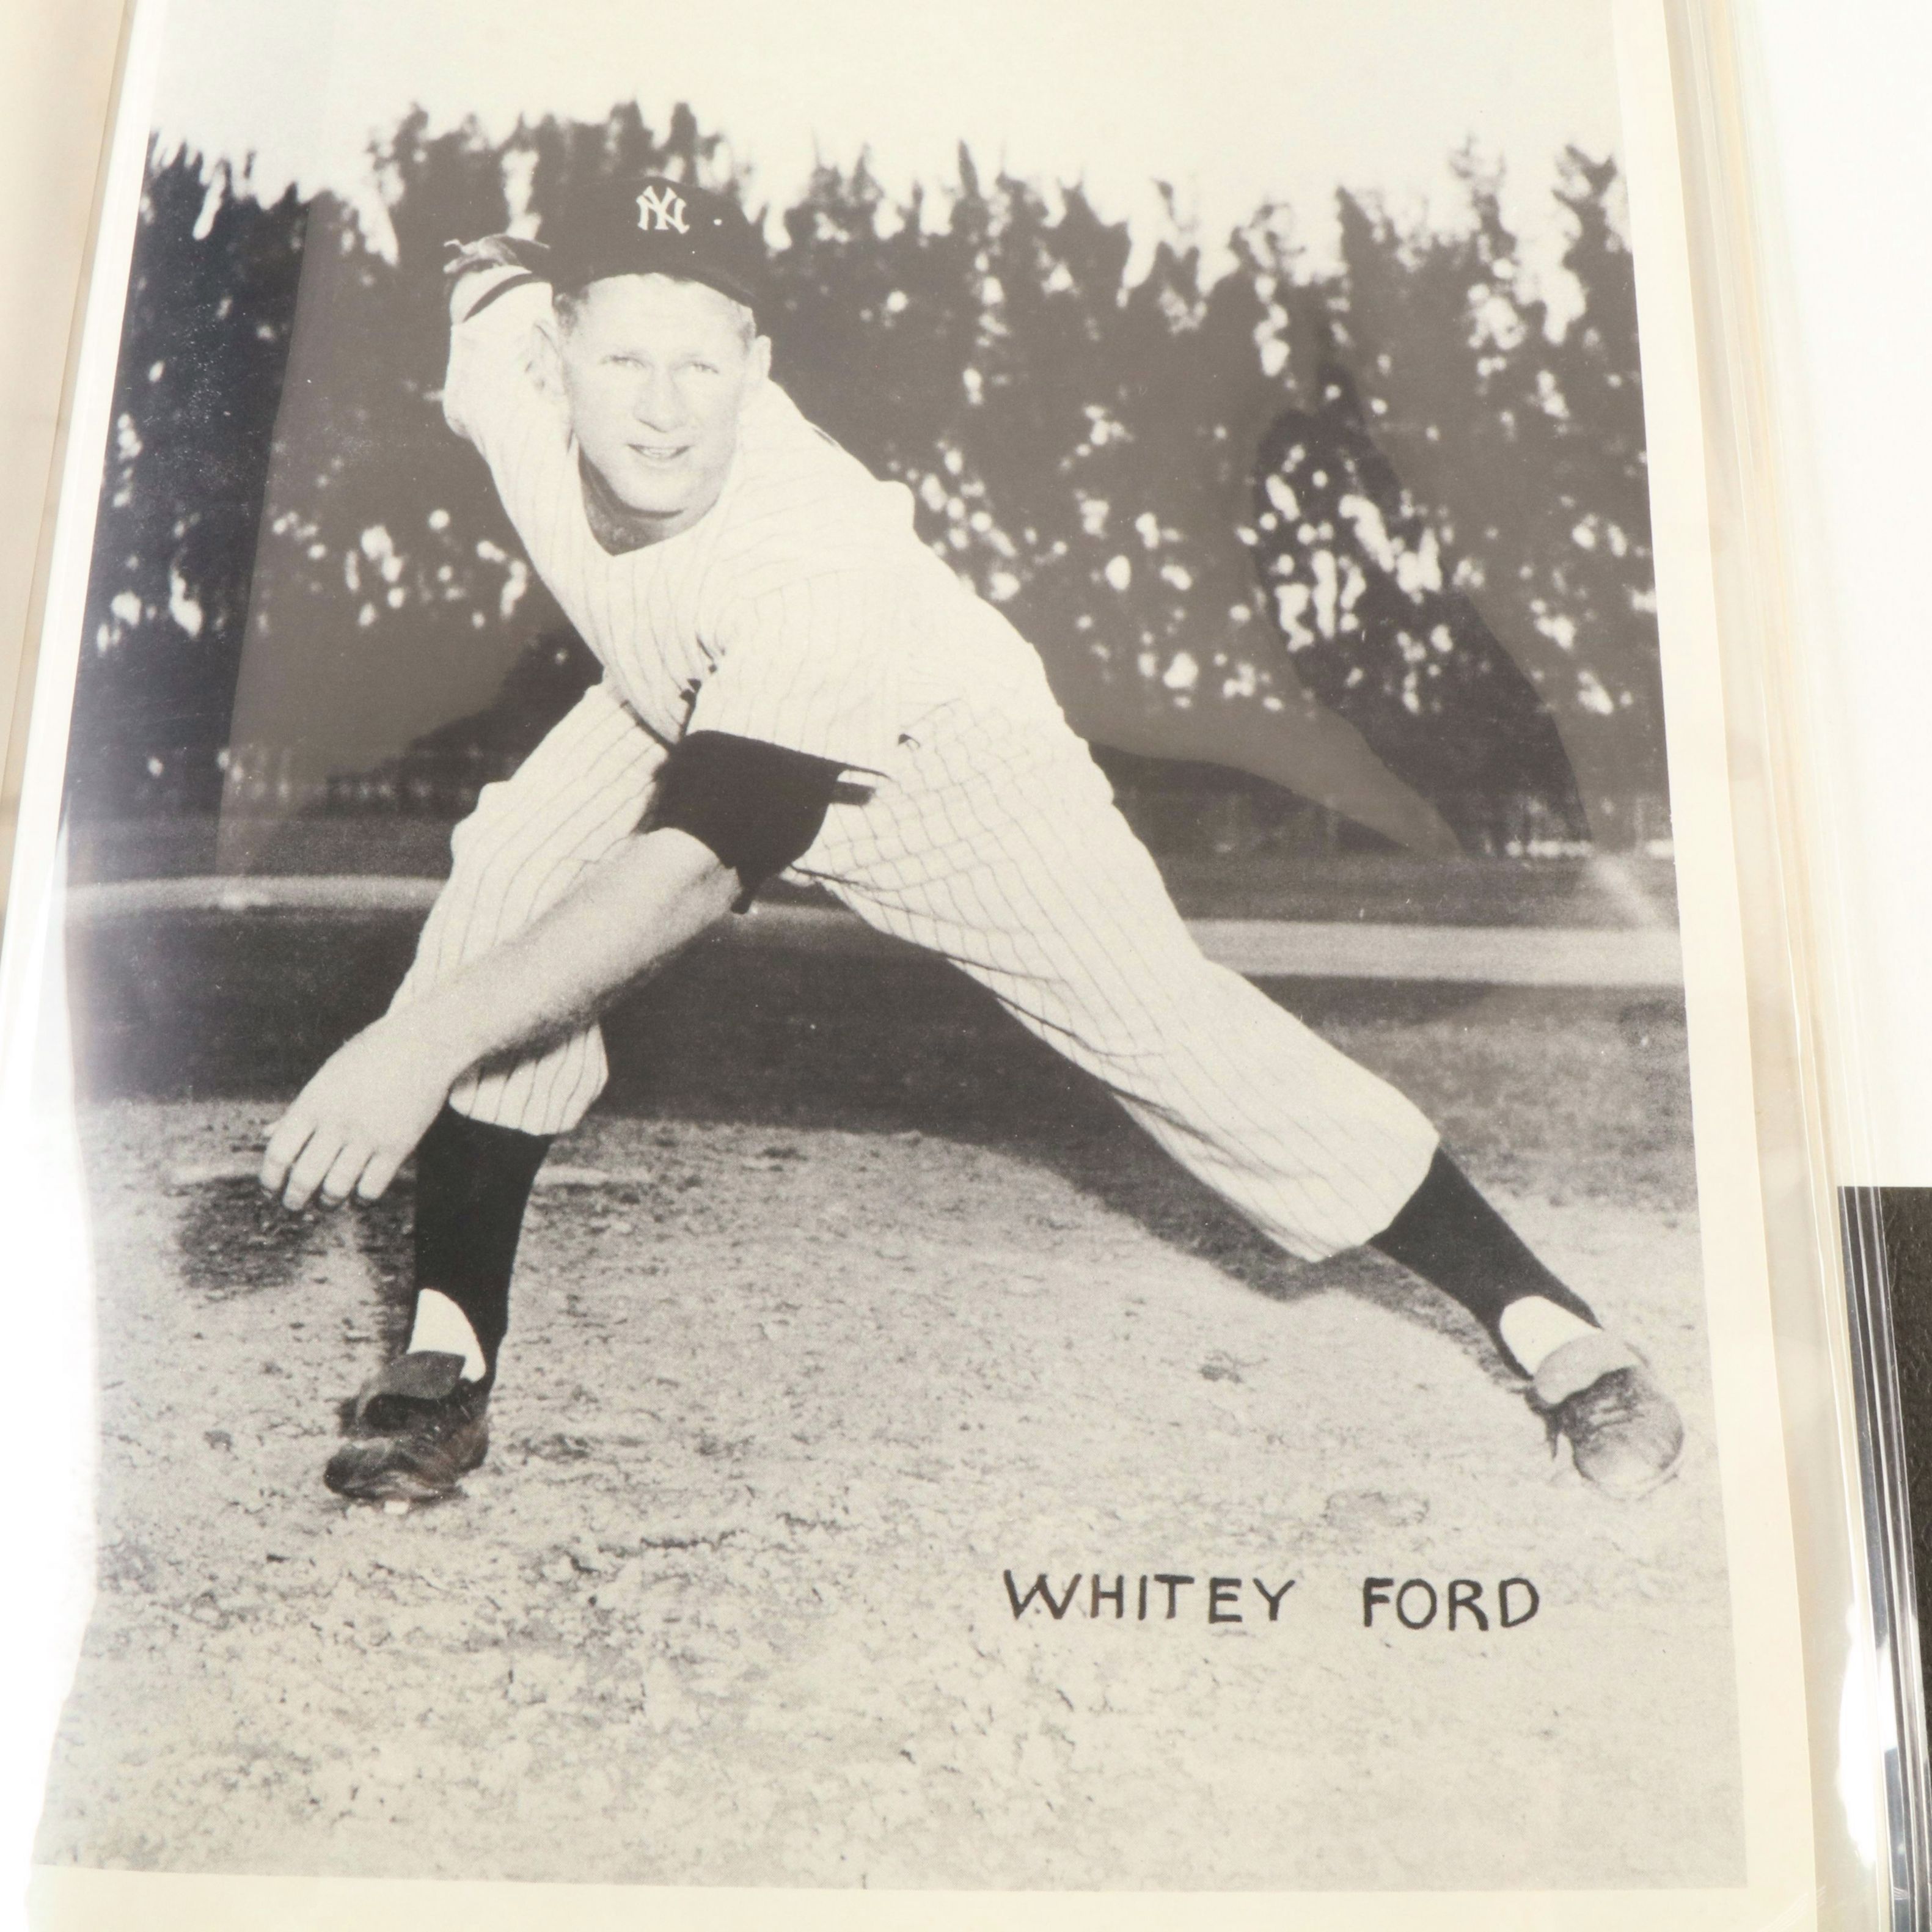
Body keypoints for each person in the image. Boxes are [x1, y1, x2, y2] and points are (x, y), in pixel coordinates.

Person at [258, 174, 1684, 1507]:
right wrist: (479, 248)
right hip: (675, 691)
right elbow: (481, 274)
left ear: (758, 365)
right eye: (625, 360)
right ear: (558, 350)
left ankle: (1554, 1324)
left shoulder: (815, 549)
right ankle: (450, 1350)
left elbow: (701, 861)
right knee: (510, 872)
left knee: (1174, 1034)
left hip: (940, 758)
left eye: (704, 364)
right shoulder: (506, 363)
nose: (664, 408)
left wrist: (413, 1045)